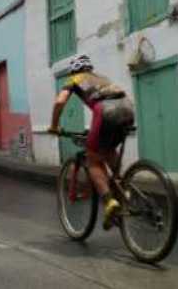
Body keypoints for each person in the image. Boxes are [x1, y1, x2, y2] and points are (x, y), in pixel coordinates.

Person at [48, 55, 135, 229]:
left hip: (105, 113)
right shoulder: (102, 78)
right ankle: (123, 189)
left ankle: (110, 202)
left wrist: (54, 126)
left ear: (74, 70)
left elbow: (60, 102)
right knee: (108, 149)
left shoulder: (75, 78)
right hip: (127, 111)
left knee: (92, 160)